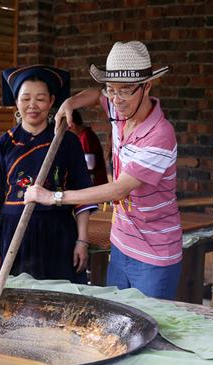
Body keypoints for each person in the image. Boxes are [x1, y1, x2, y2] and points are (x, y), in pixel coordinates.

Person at [25, 41, 182, 299]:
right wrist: (70, 103)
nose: (116, 100)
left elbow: (118, 190)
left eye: (125, 91)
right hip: (121, 244)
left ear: (147, 86)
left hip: (155, 253)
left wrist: (53, 197)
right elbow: (95, 95)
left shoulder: (160, 134)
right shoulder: (117, 108)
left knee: (152, 330)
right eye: (112, 89)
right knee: (120, 326)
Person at [0, 65, 96, 284]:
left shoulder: (67, 142)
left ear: (51, 102)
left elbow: (82, 195)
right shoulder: (3, 144)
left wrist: (82, 241)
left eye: (40, 99)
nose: (32, 105)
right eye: (26, 98)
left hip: (58, 234)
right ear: (16, 102)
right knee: (13, 306)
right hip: (12, 237)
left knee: (60, 304)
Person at [69, 110, 109, 185]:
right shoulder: (83, 135)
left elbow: (90, 165)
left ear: (72, 126)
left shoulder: (86, 137)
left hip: (95, 183)